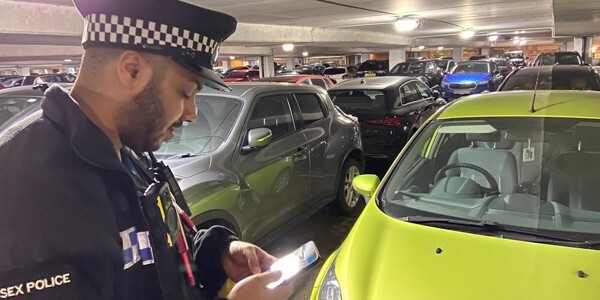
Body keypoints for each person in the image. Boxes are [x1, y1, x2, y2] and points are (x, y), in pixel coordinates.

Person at [0, 0, 293, 299]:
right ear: (132, 70)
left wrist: (217, 253)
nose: (191, 113)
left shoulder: (125, 151)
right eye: (186, 92)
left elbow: (150, 254)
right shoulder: (21, 188)